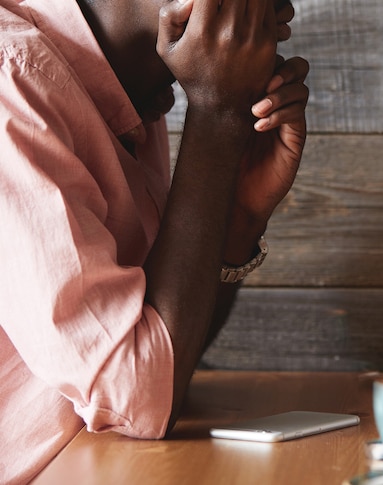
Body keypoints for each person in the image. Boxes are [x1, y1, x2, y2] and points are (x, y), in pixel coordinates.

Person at [0, 0, 309, 482]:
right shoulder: (11, 79)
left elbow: (167, 368)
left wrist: (237, 222)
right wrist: (217, 115)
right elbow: (138, 394)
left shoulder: (133, 94)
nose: (281, 10)